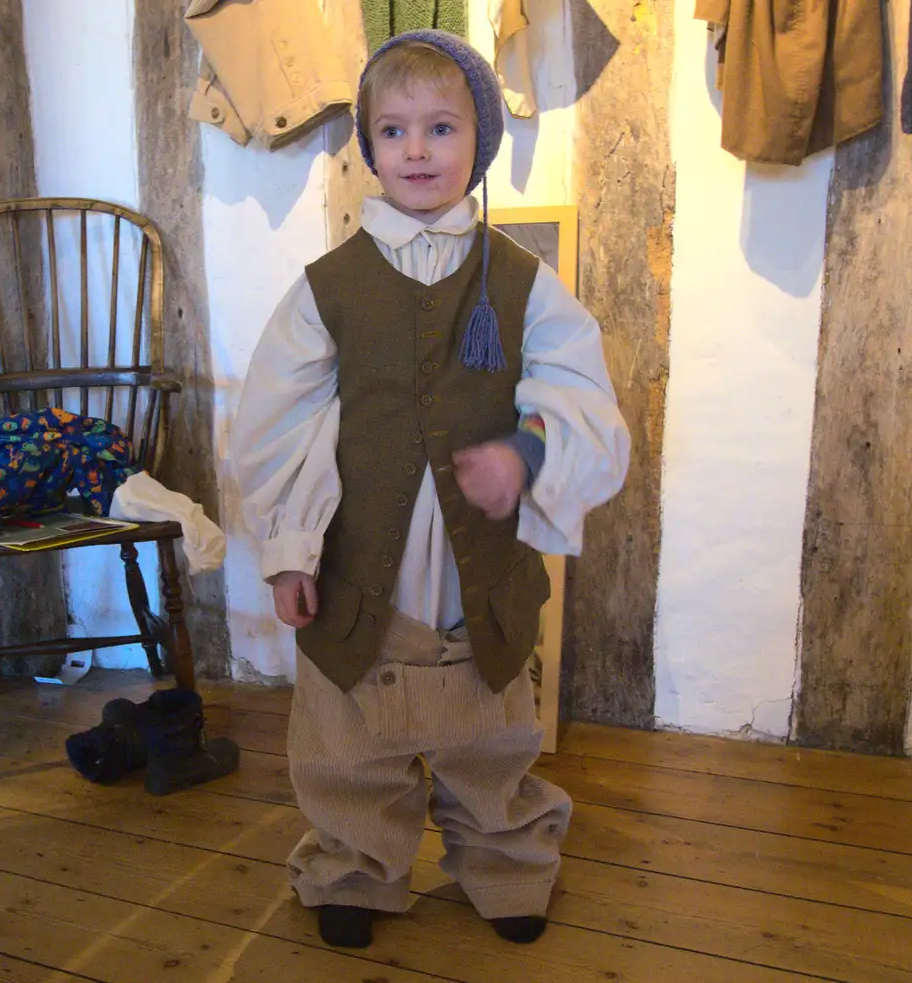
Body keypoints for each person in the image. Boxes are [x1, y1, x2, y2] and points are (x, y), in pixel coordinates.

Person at [229, 30, 630, 949]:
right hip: (356, 566)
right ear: (370, 145)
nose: (417, 149)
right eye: (396, 129)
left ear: (475, 146)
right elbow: (276, 426)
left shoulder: (525, 285)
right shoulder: (326, 289)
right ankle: (355, 868)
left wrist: (526, 456)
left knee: (488, 732)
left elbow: (578, 400)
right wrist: (288, 552)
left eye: (441, 128)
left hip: (472, 570)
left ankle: (508, 863)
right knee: (348, 738)